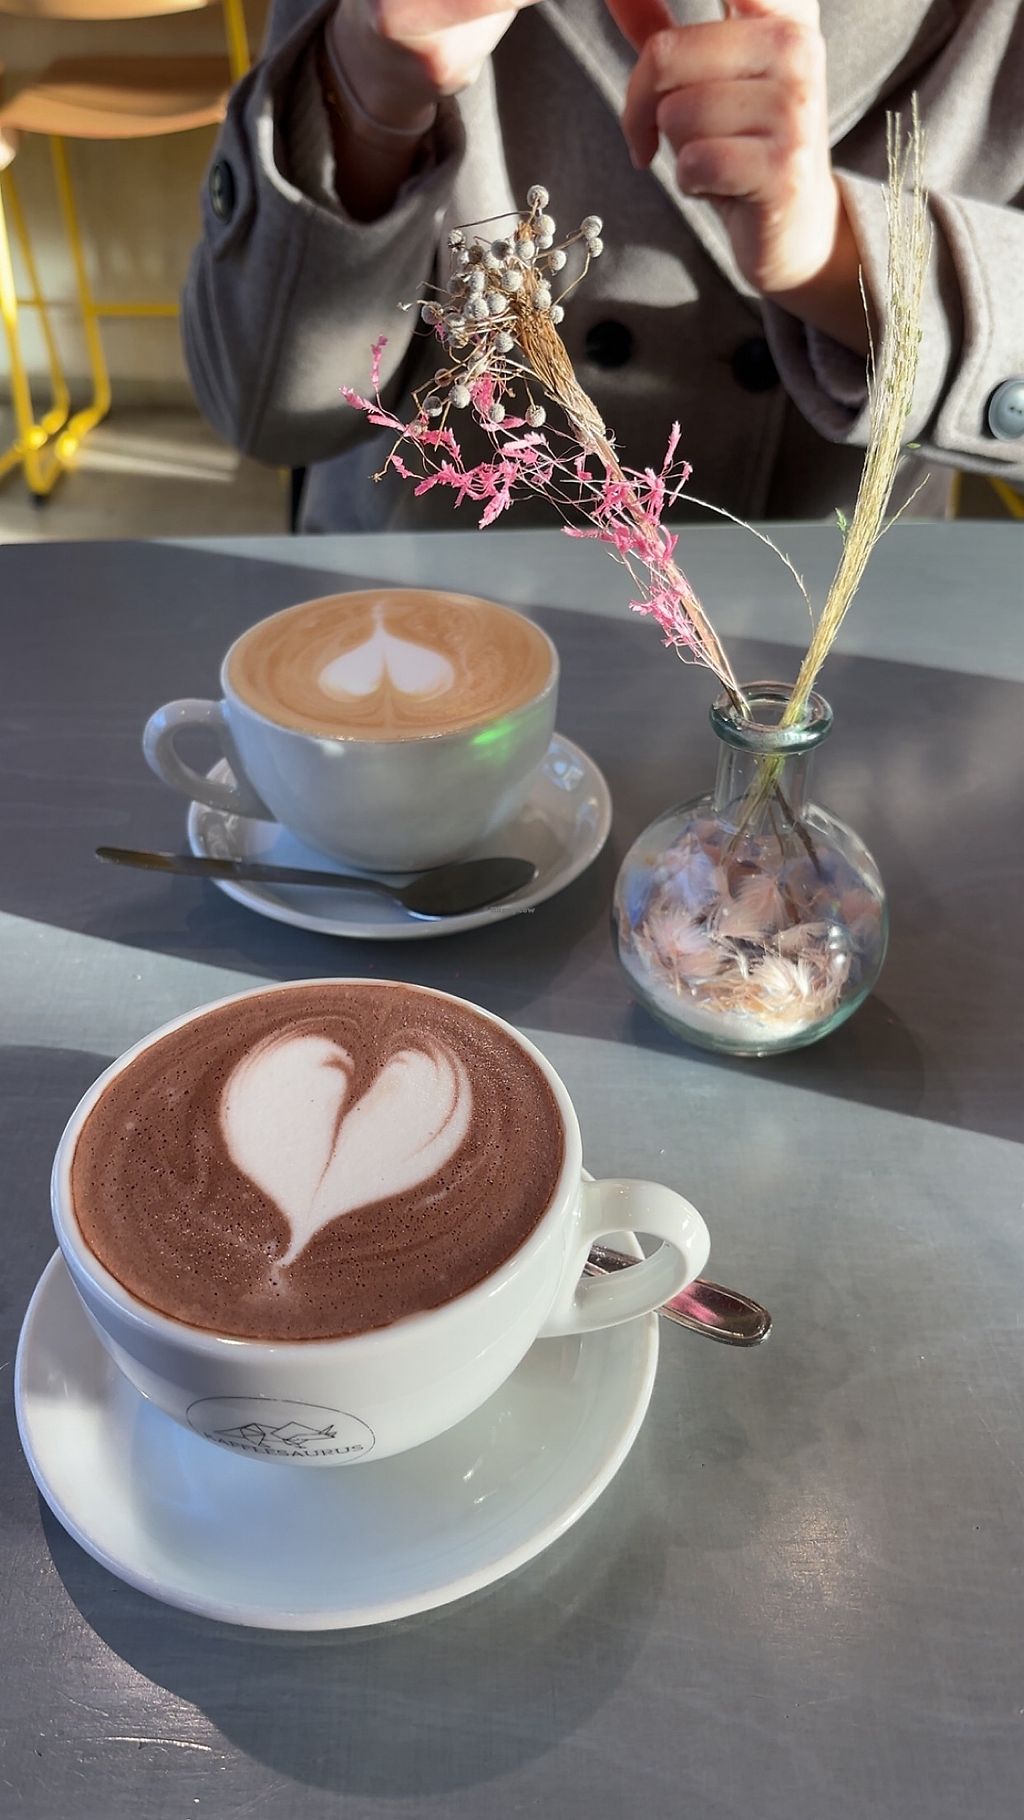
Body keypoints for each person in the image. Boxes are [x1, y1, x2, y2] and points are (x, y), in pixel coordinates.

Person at [183, 0, 1024, 532]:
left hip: (834, 643)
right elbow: (265, 412)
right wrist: (369, 92)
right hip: (431, 617)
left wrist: (836, 251)